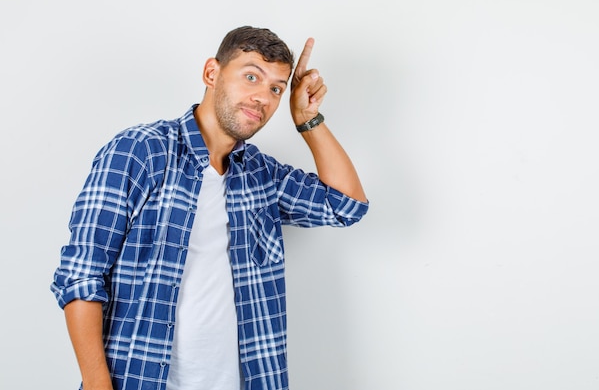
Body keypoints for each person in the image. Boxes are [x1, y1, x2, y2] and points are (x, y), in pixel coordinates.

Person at [51, 25, 368, 390]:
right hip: (140, 380)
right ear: (211, 73)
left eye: (276, 88)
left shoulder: (261, 175)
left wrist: (307, 119)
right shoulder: (140, 152)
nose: (262, 97)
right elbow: (81, 275)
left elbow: (347, 205)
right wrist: (96, 384)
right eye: (251, 76)